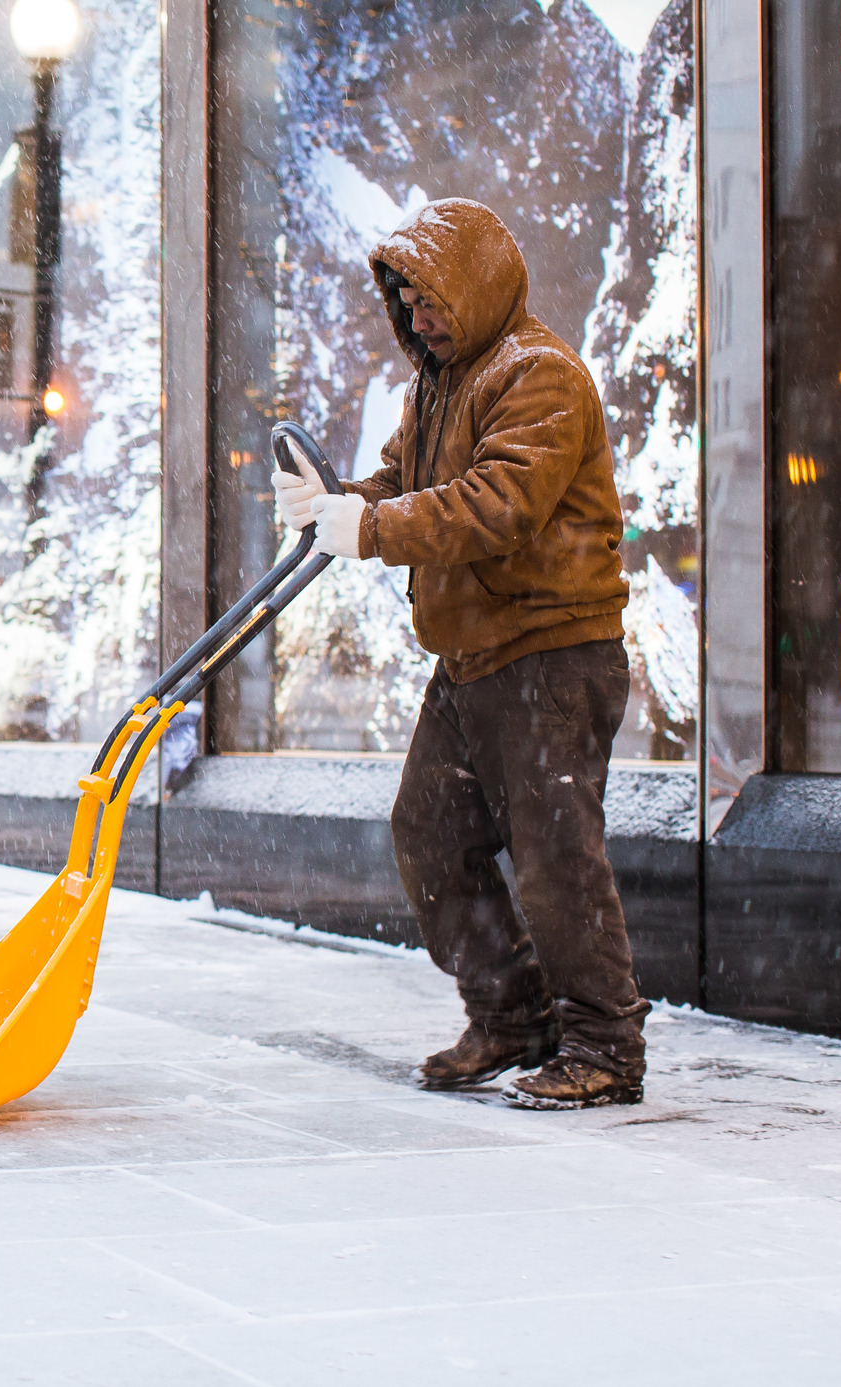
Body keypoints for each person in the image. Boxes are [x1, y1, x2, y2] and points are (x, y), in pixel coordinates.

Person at [273, 199, 645, 1110]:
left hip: (551, 651)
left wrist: (372, 527)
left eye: (431, 296)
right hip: (472, 655)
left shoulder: (540, 376)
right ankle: (511, 1010)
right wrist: (337, 504)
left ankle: (603, 1042)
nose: (419, 315)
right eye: (404, 299)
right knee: (431, 832)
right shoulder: (437, 384)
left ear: (475, 286)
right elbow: (404, 486)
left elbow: (496, 505)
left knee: (557, 855)